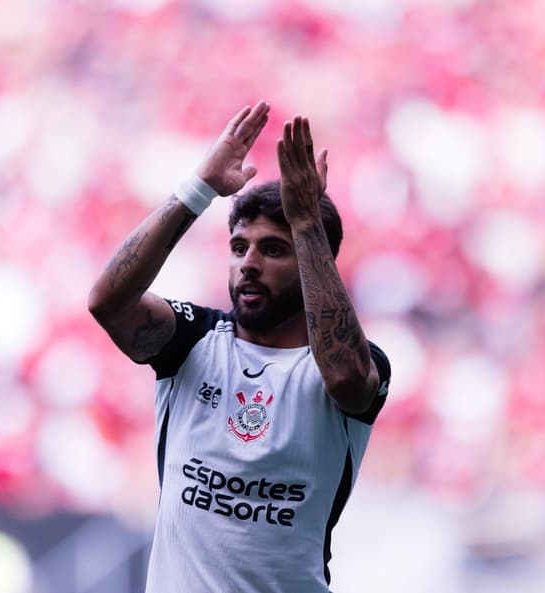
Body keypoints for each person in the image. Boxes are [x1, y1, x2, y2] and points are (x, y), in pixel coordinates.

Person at [88, 100, 391, 593]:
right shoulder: (192, 341)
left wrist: (307, 224)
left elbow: (347, 380)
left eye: (273, 249)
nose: (248, 263)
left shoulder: (353, 361)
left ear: (312, 261)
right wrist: (199, 188)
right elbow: (108, 302)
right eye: (238, 247)